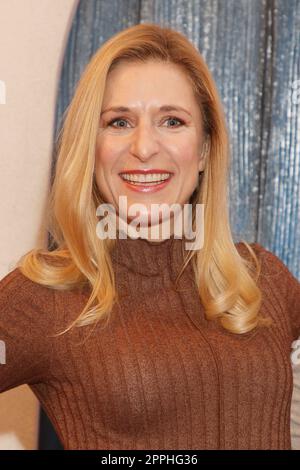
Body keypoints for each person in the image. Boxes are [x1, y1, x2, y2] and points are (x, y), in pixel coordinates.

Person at [0, 23, 300, 450]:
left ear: (203, 150)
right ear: (91, 145)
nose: (144, 147)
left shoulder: (260, 277)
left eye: (172, 121)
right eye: (119, 121)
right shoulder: (45, 296)